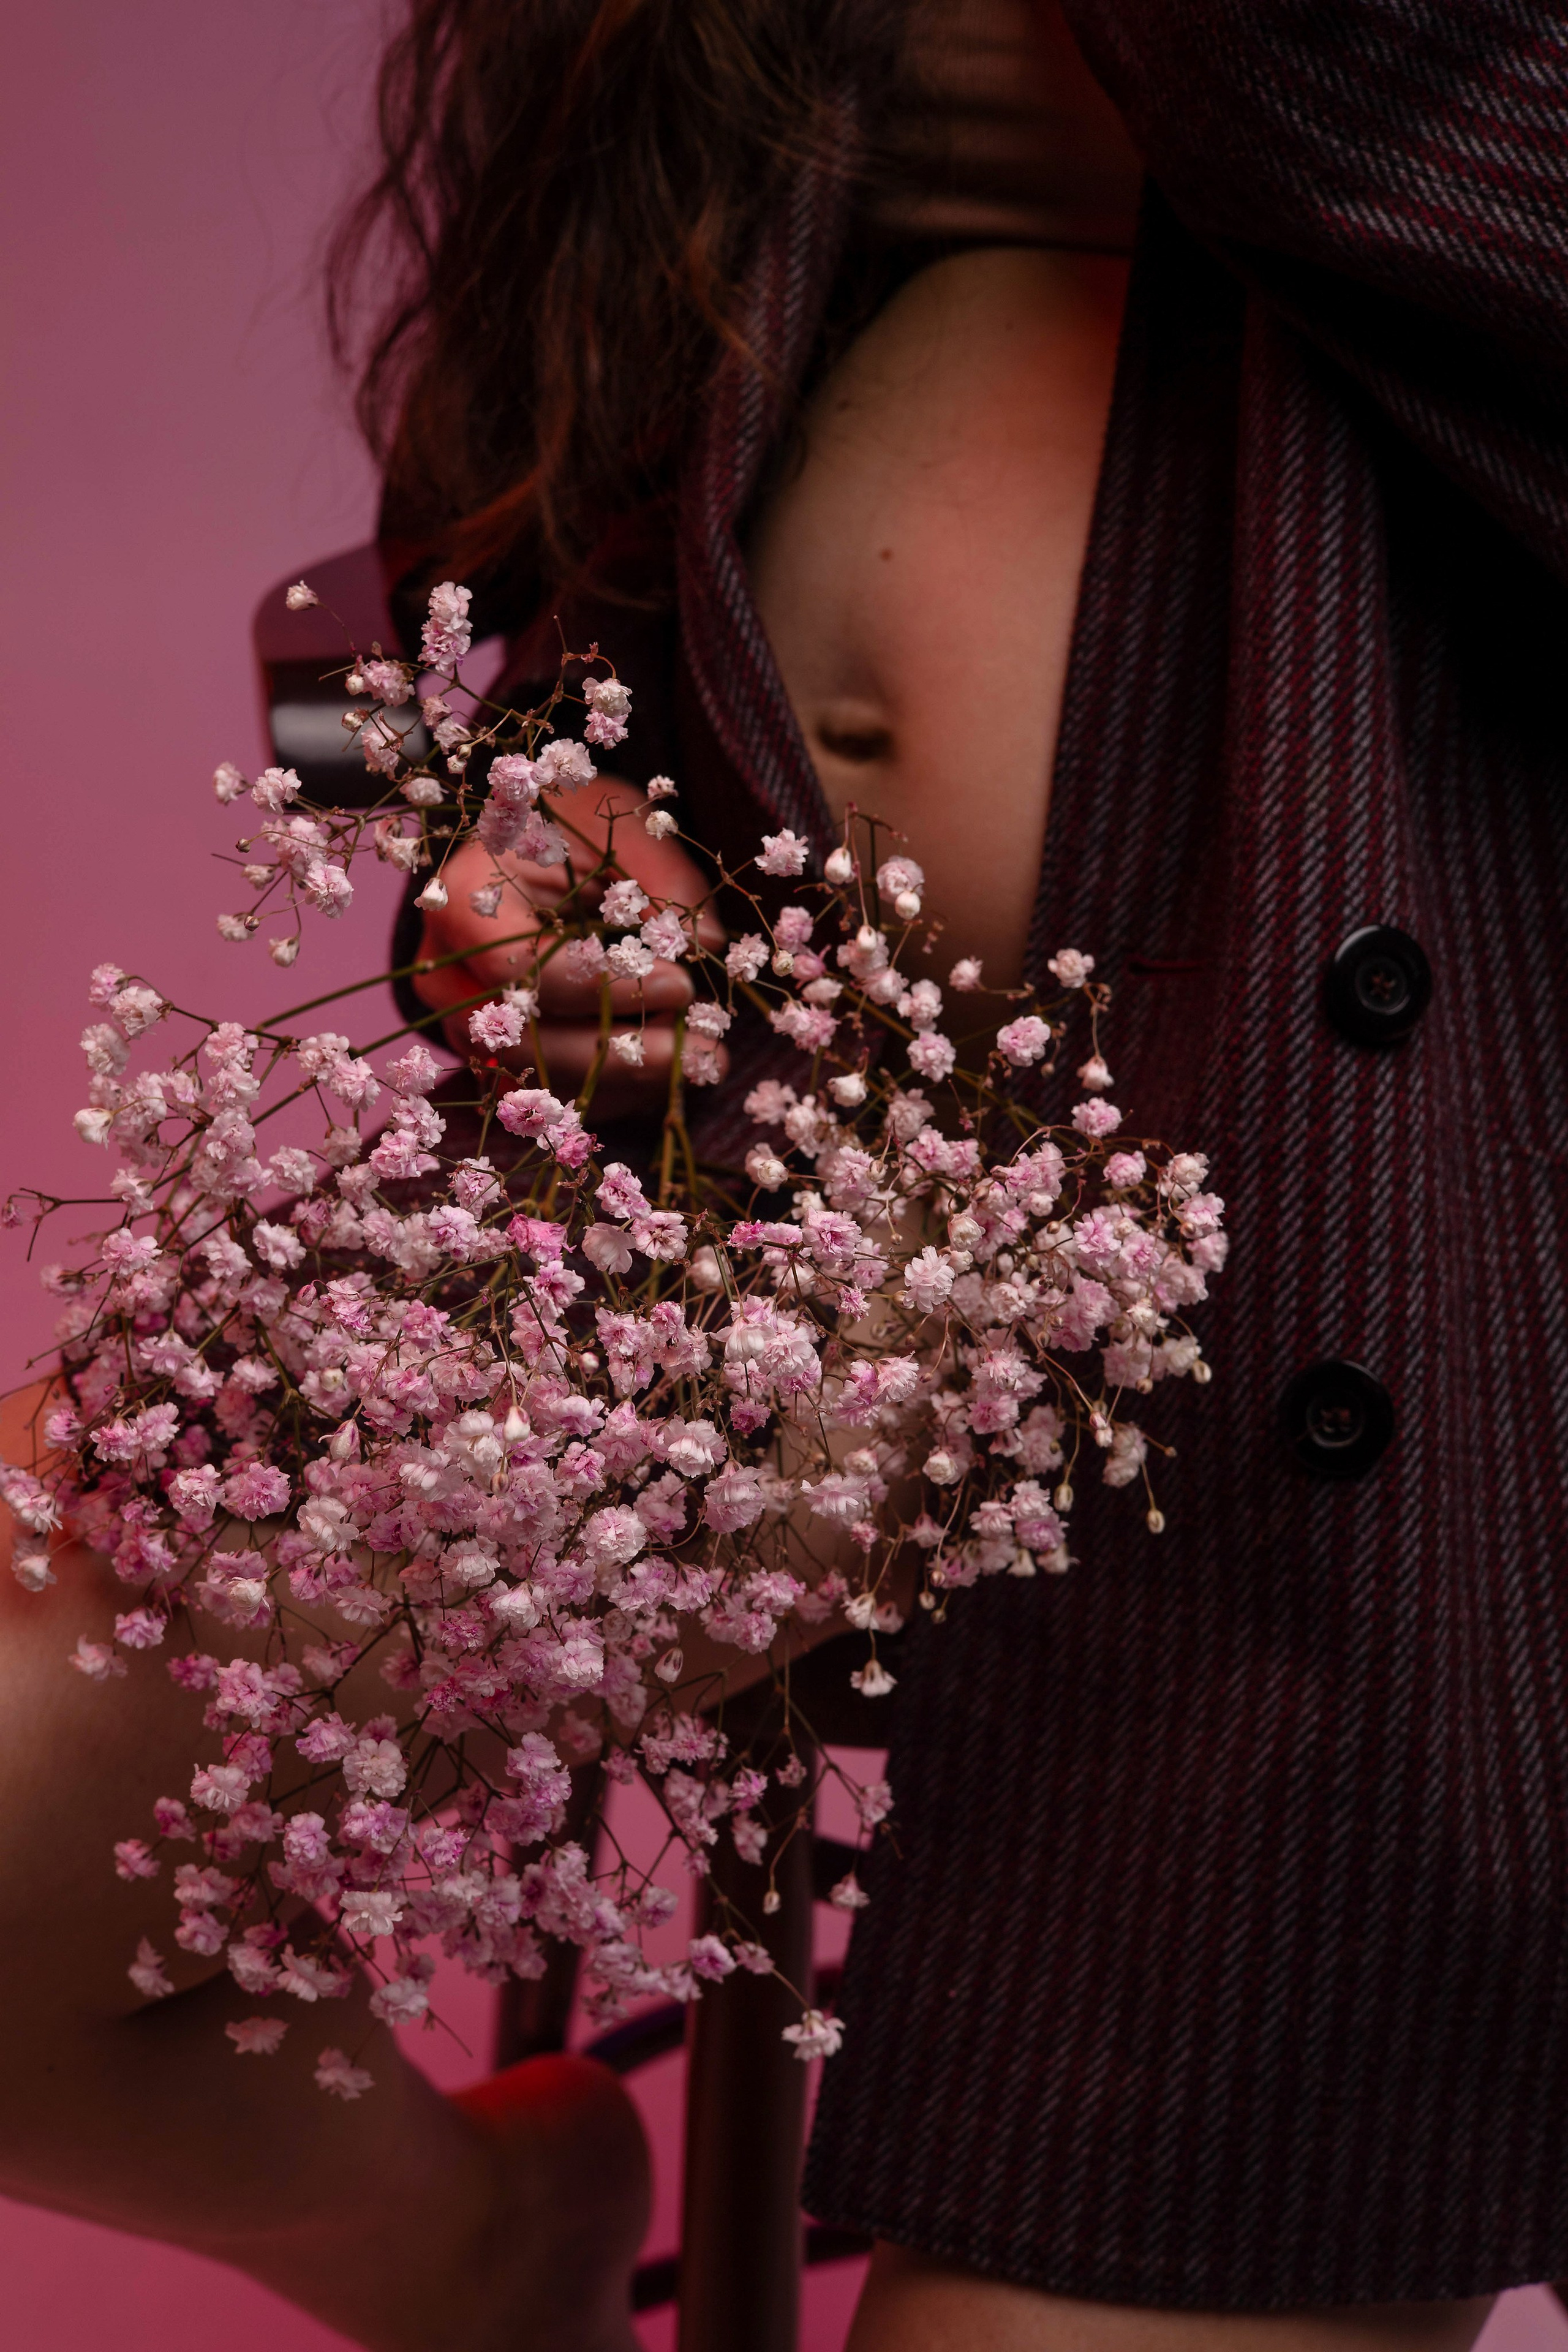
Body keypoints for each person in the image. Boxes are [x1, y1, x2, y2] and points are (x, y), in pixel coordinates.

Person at [4, 3, 1568, 2348]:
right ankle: (469, 2254)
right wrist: (499, 835)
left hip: (1360, 1242)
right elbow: (476, 536)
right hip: (749, 1174)